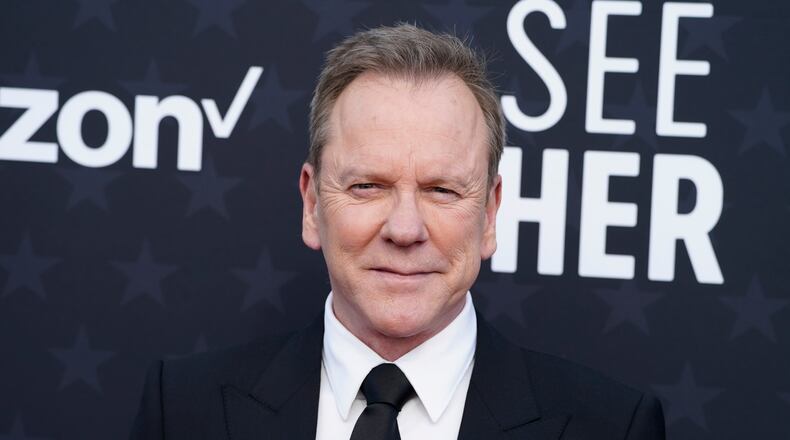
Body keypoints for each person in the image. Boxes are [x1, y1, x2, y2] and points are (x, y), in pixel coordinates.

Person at [129, 23, 665, 440]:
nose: (405, 229)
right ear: (312, 203)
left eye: (442, 190)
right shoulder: (181, 410)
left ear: (491, 214)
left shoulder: (612, 427)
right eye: (367, 186)